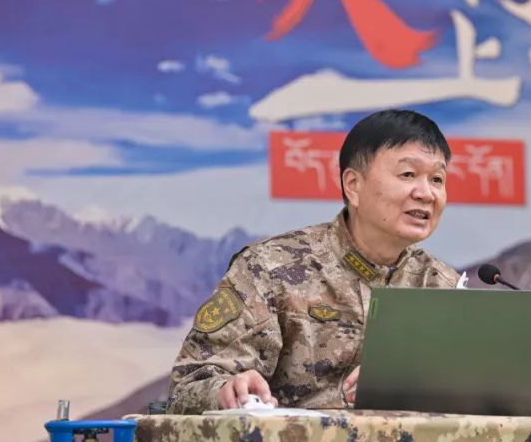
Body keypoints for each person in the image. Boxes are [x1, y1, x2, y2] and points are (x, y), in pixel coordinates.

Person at [166, 109, 460, 414]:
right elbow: (187, 387)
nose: (427, 193)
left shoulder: (443, 287)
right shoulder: (270, 269)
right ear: (353, 185)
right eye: (408, 175)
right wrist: (225, 392)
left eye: (437, 179)